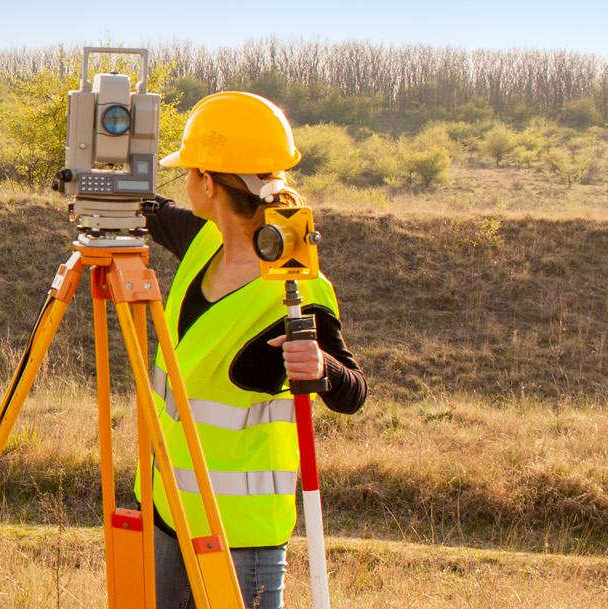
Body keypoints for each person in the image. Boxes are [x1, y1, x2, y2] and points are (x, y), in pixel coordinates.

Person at [139, 91, 370, 609]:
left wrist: (323, 368)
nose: (186, 182)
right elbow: (155, 213)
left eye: (189, 171)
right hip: (167, 504)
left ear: (208, 183)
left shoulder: (296, 289)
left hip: (240, 531)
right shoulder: (204, 240)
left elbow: (352, 392)